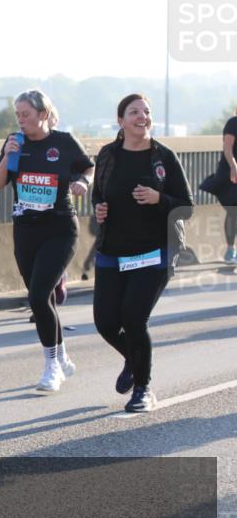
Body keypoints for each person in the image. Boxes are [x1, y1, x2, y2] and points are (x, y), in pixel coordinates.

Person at [91, 94, 194, 413]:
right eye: (134, 112)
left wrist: (158, 198)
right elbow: (97, 196)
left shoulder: (163, 157)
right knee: (106, 323)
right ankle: (133, 359)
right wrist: (99, 209)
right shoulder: (107, 155)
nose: (142, 116)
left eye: (146, 112)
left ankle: (144, 389)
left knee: (134, 318)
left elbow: (186, 207)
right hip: (113, 251)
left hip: (155, 252)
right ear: (120, 120)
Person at [0, 90, 95, 392]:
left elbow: (88, 166)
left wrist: (82, 182)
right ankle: (61, 355)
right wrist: (9, 156)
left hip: (60, 228)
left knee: (37, 297)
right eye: (18, 115)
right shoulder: (15, 143)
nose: (21, 120)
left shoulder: (62, 143)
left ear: (43, 115)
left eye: (26, 114)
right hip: (25, 230)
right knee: (43, 298)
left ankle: (51, 367)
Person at [218, 109, 237, 263]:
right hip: (231, 174)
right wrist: (233, 165)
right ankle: (230, 250)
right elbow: (227, 147)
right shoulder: (233, 122)